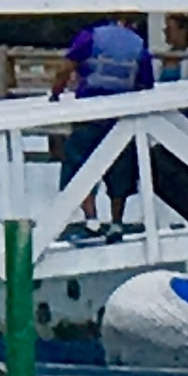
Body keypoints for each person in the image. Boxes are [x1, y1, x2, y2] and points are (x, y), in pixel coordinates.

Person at [51, 13, 152, 241]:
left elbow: (65, 68)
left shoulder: (91, 37)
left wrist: (55, 94)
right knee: (120, 169)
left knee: (82, 165)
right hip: (121, 117)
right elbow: (145, 84)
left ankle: (92, 219)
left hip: (90, 112)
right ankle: (117, 222)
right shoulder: (138, 44)